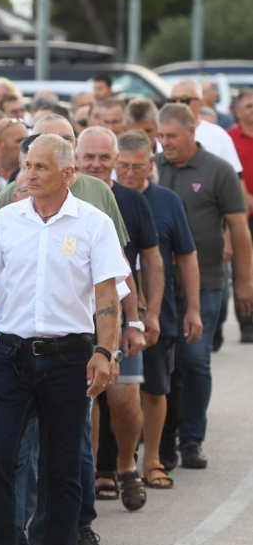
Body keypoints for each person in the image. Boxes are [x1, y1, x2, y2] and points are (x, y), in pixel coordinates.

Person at [0, 134, 127, 545]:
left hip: (69, 358)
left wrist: (105, 352)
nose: (28, 174)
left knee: (62, 465)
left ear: (68, 175)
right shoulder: (7, 220)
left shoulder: (93, 224)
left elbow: (108, 296)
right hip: (9, 356)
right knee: (0, 461)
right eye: (26, 164)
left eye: (39, 168)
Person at [156, 103, 253, 469]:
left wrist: (244, 282)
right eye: (161, 136)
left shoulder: (218, 171)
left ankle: (192, 440)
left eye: (172, 136)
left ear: (191, 132)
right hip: (160, 285)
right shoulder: (154, 169)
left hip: (208, 280)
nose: (165, 143)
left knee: (195, 362)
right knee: (166, 363)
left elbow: (240, 230)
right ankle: (160, 438)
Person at [76, 127, 163, 510]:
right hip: (77, 320)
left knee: (126, 399)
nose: (96, 164)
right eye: (89, 157)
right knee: (88, 401)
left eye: (103, 158)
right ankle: (91, 474)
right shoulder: (58, 196)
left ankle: (127, 463)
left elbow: (138, 262)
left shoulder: (128, 199)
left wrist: (140, 318)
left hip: (120, 313)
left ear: (115, 160)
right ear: (75, 158)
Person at [115, 129, 202, 490]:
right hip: (110, 315)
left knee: (155, 388)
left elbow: (185, 256)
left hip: (157, 311)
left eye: (139, 166)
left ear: (153, 164)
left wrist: (193, 309)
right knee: (113, 396)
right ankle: (110, 467)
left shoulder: (167, 201)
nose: (130, 173)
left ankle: (152, 460)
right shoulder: (101, 197)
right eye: (124, 166)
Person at [169, 79, 244, 175]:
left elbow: (234, 177)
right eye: (173, 100)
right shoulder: (160, 136)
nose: (177, 105)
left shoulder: (218, 136)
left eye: (185, 100)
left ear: (200, 102)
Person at [227, 88, 253, 342]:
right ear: (237, 110)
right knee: (242, 266)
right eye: (248, 106)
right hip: (241, 212)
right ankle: (247, 321)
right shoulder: (230, 138)